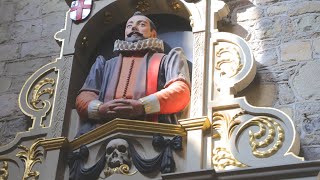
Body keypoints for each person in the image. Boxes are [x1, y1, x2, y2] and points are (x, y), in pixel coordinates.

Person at [75, 11, 190, 135]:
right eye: (129, 26)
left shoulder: (168, 60)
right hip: (104, 133)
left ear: (153, 34)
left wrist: (143, 106)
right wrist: (100, 109)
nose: (134, 28)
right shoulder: (104, 64)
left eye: (141, 24)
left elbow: (180, 91)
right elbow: (84, 97)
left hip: (154, 134)